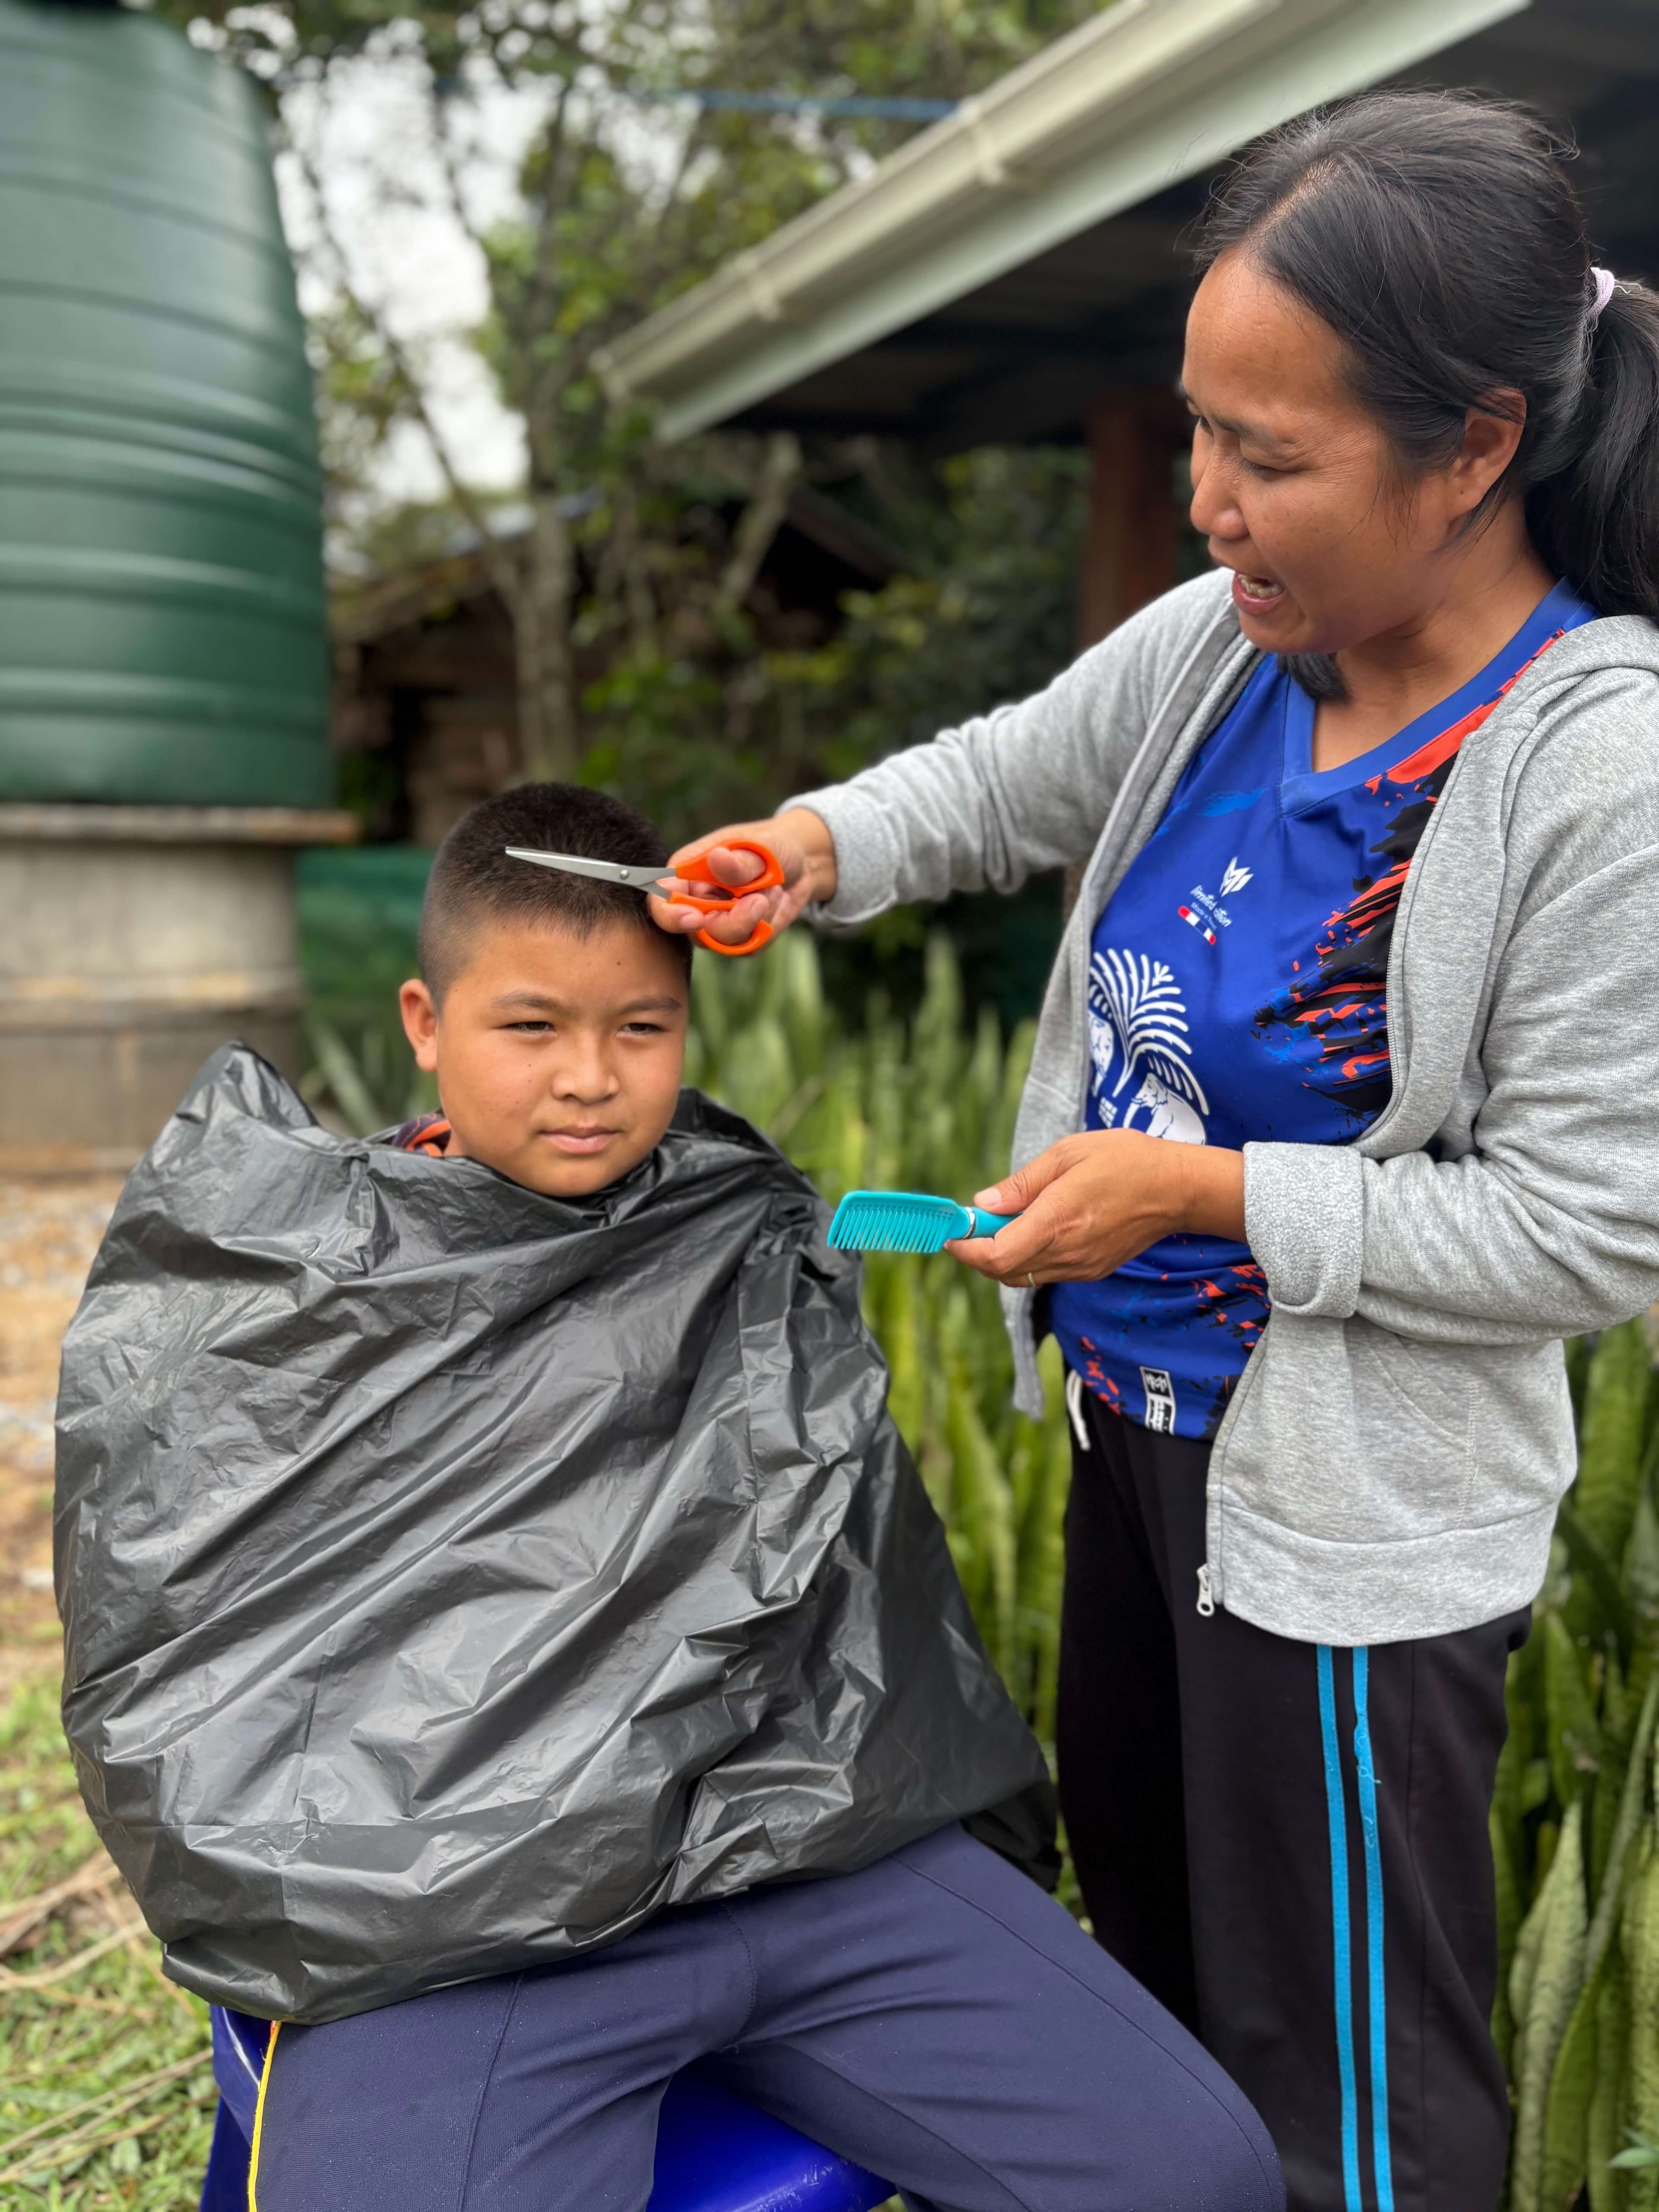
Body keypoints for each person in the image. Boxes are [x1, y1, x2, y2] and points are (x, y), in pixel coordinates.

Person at [654, 90, 1659, 2212]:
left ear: (1474, 447)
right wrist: (812, 847)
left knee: (1355, 2104)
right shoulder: (1234, 648)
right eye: (1199, 429)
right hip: (1131, 1444)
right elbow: (1007, 774)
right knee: (1165, 2027)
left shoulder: (1600, 766)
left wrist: (1198, 1194)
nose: (1210, 501)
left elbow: (1592, 1228)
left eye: (1268, 456)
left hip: (1351, 1537)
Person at [55, 782, 1281, 2212]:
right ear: (425, 1023)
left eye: (640, 1029)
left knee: (1194, 2172)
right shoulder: (285, 1289)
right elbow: (184, 1661)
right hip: (449, 1930)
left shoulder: (731, 1231)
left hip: (795, 1850)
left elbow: (859, 1607)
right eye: (532, 1028)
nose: (590, 1077)